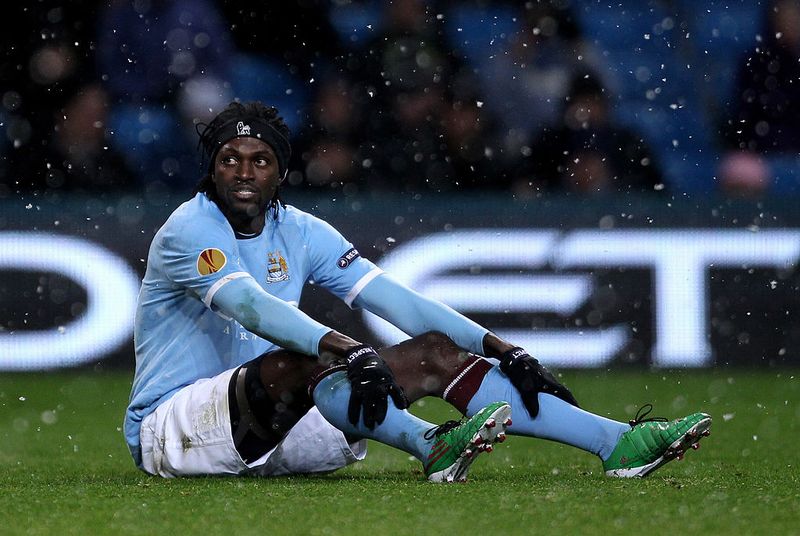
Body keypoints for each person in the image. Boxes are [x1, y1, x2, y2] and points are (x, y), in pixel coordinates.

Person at [124, 101, 711, 482]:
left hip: (282, 427)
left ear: (280, 172)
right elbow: (248, 307)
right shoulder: (189, 228)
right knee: (309, 357)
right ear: (213, 168)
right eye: (230, 159)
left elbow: (397, 302)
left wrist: (501, 348)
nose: (244, 172)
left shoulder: (301, 231)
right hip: (175, 431)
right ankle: (432, 446)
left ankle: (615, 443)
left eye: (260, 160)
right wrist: (350, 350)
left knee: (433, 352)